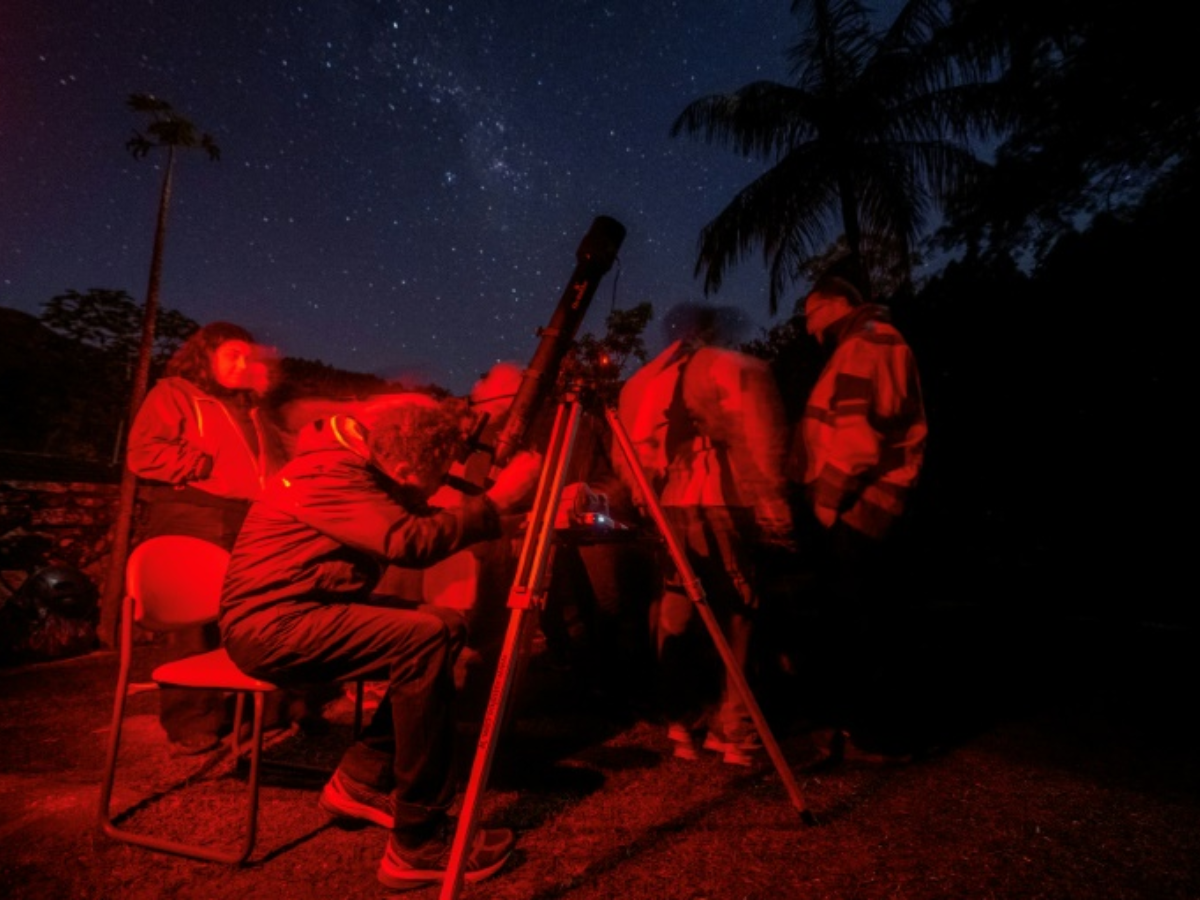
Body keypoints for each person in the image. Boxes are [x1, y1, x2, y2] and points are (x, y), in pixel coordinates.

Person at [217, 396, 541, 888]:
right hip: (270, 627)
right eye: (434, 479)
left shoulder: (353, 468)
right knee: (426, 637)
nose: (438, 490)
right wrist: (495, 504)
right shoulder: (329, 474)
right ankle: (418, 841)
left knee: (444, 626)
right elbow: (407, 541)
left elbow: (425, 523)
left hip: (305, 610)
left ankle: (361, 778)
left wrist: (520, 514)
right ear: (406, 468)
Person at [617, 302, 794, 766]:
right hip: (724, 501)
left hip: (672, 504)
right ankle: (735, 730)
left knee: (677, 612)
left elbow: (633, 451)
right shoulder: (734, 367)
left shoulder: (644, 382)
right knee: (737, 615)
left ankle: (680, 719)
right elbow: (755, 432)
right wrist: (772, 500)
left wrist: (644, 498)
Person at [125, 320, 292, 756]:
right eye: (231, 355)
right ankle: (190, 720)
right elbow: (142, 452)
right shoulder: (177, 393)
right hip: (194, 511)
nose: (242, 363)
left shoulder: (253, 408)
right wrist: (196, 463)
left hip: (251, 517)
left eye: (247, 357)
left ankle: (256, 710)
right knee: (191, 625)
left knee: (250, 612)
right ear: (207, 355)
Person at [786, 267, 928, 760]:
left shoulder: (865, 345)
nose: (809, 330)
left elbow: (855, 439)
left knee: (861, 623)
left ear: (832, 306)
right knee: (857, 619)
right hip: (858, 506)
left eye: (811, 316)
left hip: (859, 508)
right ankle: (860, 728)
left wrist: (826, 505)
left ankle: (873, 734)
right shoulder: (870, 342)